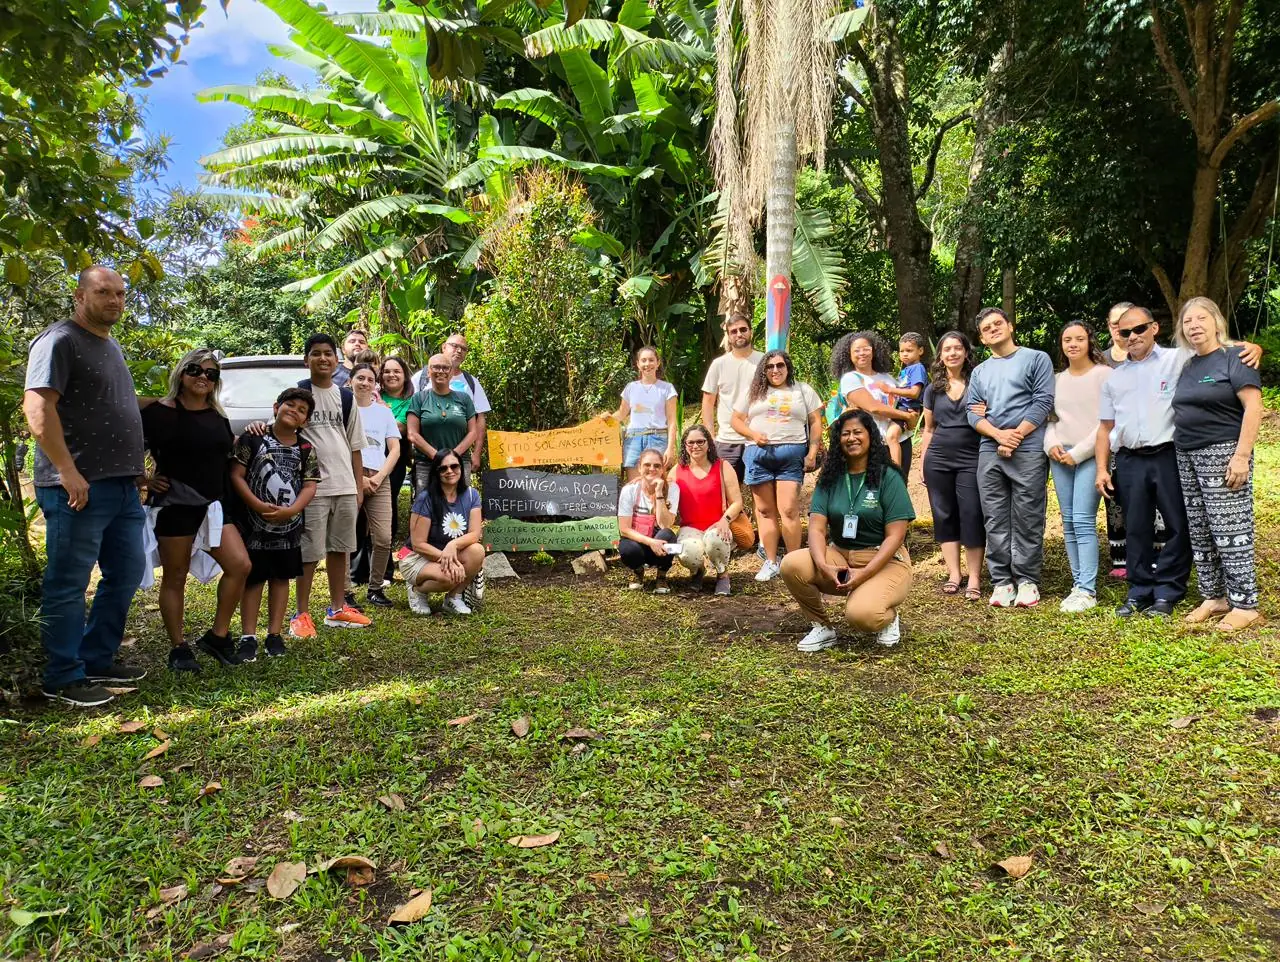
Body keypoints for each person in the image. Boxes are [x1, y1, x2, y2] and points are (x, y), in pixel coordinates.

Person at [23, 266, 148, 707]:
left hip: (120, 487)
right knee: (69, 582)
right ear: (79, 296)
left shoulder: (108, 344)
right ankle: (61, 675)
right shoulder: (60, 340)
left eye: (120, 294)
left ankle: (96, 657)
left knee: (128, 572)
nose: (114, 300)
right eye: (103, 292)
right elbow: (37, 407)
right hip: (77, 487)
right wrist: (65, 470)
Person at [141, 349, 252, 671]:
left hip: (213, 506)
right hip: (175, 504)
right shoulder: (162, 412)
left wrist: (253, 433)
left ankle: (217, 636)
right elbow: (127, 437)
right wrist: (141, 479)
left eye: (211, 374)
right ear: (181, 372)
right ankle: (179, 647)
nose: (203, 377)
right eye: (195, 370)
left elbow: (225, 448)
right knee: (175, 577)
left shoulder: (217, 415)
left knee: (240, 566)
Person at [781, 410, 915, 652]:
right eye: (845, 434)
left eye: (857, 432)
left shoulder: (889, 476)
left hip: (883, 561)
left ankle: (888, 617)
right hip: (840, 556)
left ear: (871, 437)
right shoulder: (831, 478)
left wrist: (863, 575)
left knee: (862, 615)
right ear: (838, 440)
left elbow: (896, 536)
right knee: (792, 564)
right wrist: (823, 565)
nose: (851, 438)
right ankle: (822, 626)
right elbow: (817, 529)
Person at [1172, 297, 1263, 631]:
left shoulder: (1235, 357)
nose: (1194, 325)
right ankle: (1214, 596)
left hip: (1223, 452)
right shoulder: (1188, 364)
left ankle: (1245, 603)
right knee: (1201, 528)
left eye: (1201, 318)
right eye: (1187, 321)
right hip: (1187, 454)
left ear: (1216, 321)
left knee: (1231, 529)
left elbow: (1254, 407)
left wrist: (1241, 456)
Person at [965, 307, 1055, 608]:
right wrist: (998, 436)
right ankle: (1002, 581)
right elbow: (973, 412)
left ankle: (1027, 580)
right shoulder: (980, 372)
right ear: (981, 337)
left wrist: (1015, 435)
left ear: (1010, 326)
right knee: (995, 517)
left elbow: (1042, 401)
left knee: (1028, 516)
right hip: (990, 450)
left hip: (1027, 448)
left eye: (997, 324)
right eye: (986, 328)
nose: (993, 329)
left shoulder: (1036, 358)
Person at [288, 334, 371, 634]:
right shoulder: (298, 394)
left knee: (341, 549)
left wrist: (359, 487)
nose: (322, 358)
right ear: (306, 359)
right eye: (315, 353)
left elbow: (355, 446)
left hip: (345, 485)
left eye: (328, 354)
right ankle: (300, 614)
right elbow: (282, 429)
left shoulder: (346, 397)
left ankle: (337, 609)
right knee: (309, 552)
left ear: (337, 360)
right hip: (313, 487)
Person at [230, 388, 320, 661]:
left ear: (305, 421)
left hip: (289, 527)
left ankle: (274, 633)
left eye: (301, 410)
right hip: (254, 526)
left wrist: (292, 510)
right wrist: (256, 505)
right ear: (275, 407)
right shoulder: (253, 439)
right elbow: (237, 475)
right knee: (255, 578)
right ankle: (248, 636)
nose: (294, 410)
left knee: (281, 578)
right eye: (289, 405)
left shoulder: (306, 448)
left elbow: (310, 485)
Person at [731, 351, 823, 582]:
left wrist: (812, 453)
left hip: (791, 455)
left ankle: (794, 563)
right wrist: (752, 433)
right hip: (759, 454)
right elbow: (736, 420)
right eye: (769, 366)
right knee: (764, 511)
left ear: (788, 367)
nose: (775, 370)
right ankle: (771, 561)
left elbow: (815, 421)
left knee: (789, 509)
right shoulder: (753, 392)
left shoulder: (803, 390)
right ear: (764, 370)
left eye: (780, 365)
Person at [1043, 322, 1112, 613]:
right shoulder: (1057, 379)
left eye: (1079, 339)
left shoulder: (1104, 375)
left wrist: (1080, 453)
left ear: (1089, 342)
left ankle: (1087, 589)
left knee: (1083, 520)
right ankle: (1078, 583)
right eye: (1067, 339)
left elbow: (1107, 422)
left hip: (1091, 455)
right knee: (1069, 521)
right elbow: (1050, 419)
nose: (1073, 344)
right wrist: (1052, 446)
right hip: (1060, 455)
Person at [918, 331, 985, 601]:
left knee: (972, 514)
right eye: (947, 349)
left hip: (972, 457)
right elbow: (929, 429)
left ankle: (975, 577)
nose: (953, 353)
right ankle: (954, 575)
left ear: (966, 352)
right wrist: (923, 462)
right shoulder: (932, 389)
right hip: (939, 459)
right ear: (941, 356)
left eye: (958, 348)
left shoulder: (979, 383)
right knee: (944, 515)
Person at [398, 450, 485, 616]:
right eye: (443, 468)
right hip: (416, 557)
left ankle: (454, 597)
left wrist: (453, 545)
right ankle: (417, 589)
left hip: (447, 552)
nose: (449, 471)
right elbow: (418, 544)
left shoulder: (472, 495)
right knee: (449, 577)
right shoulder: (426, 498)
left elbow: (475, 534)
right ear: (436, 472)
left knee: (477, 551)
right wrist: (449, 561)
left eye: (454, 466)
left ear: (461, 467)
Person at [349, 363, 401, 608]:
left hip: (380, 478)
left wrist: (379, 477)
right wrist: (359, 478)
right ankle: (344, 591)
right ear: (351, 381)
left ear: (375, 385)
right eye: (360, 378)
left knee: (383, 537)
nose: (365, 383)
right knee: (346, 537)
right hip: (349, 478)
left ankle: (376, 588)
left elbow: (395, 449)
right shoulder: (344, 410)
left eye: (370, 379)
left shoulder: (384, 413)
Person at [669, 424, 743, 596]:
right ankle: (697, 572)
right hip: (690, 527)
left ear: (709, 443)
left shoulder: (722, 467)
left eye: (700, 442)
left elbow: (737, 502)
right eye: (691, 443)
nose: (695, 446)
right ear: (685, 446)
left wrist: (725, 520)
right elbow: (664, 493)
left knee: (715, 540)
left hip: (717, 524)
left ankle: (722, 574)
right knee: (687, 552)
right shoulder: (677, 471)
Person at [830, 331, 918, 470]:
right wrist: (907, 417)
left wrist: (911, 417)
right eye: (856, 350)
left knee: (898, 487)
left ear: (874, 351)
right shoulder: (851, 379)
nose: (862, 353)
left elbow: (902, 402)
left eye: (866, 349)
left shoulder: (887, 377)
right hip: (872, 445)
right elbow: (874, 408)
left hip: (901, 441)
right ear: (849, 355)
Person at [700, 311, 764, 483]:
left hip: (758, 438)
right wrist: (710, 436)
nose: (739, 334)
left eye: (743, 329)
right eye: (734, 331)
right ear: (728, 336)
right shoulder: (719, 365)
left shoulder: (764, 362)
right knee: (727, 494)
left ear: (751, 331)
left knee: (761, 497)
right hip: (727, 441)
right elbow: (708, 402)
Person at [407, 353, 478, 491]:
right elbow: (412, 434)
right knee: (425, 506)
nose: (441, 371)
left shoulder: (464, 399)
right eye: (436, 367)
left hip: (459, 462)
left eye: (445, 368)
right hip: (427, 463)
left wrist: (452, 456)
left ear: (451, 373)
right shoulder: (419, 398)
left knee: (459, 505)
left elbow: (472, 432)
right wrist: (438, 456)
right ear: (428, 372)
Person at [617, 448, 680, 592]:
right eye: (647, 465)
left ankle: (662, 575)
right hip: (640, 541)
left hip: (660, 543)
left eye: (657, 466)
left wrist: (659, 493)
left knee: (668, 535)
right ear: (639, 468)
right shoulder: (629, 490)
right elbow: (624, 529)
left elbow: (666, 524)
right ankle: (637, 571)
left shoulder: (672, 488)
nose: (652, 469)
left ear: (663, 469)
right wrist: (650, 542)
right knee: (627, 548)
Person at [612, 346, 678, 480]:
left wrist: (670, 448)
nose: (647, 364)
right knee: (634, 484)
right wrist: (604, 419)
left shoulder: (667, 388)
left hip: (657, 438)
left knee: (656, 484)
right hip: (633, 439)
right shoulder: (631, 387)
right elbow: (621, 413)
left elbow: (672, 420)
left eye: (651, 360)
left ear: (658, 363)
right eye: (643, 360)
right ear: (638, 364)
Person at [377, 356, 416, 581]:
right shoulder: (372, 394)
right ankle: (362, 568)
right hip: (367, 458)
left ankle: (387, 569)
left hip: (394, 460)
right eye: (387, 371)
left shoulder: (412, 401)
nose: (391, 375)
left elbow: (401, 429)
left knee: (387, 508)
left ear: (405, 375)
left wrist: (380, 413)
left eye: (397, 371)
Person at [881, 332, 929, 472]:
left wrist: (890, 389)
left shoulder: (917, 368)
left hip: (907, 408)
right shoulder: (906, 369)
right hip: (901, 407)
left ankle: (896, 469)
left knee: (891, 436)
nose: (905, 354)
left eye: (909, 350)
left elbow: (914, 393)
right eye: (902, 351)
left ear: (920, 351)